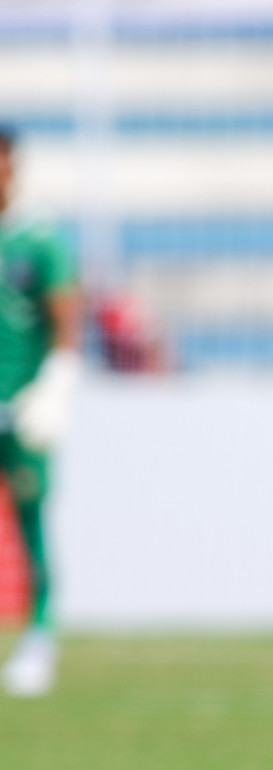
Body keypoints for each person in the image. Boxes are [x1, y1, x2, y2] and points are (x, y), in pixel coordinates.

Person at [0, 125, 82, 697]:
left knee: (31, 521)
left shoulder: (39, 237)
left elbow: (65, 321)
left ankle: (40, 636)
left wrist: (54, 387)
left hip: (21, 408)